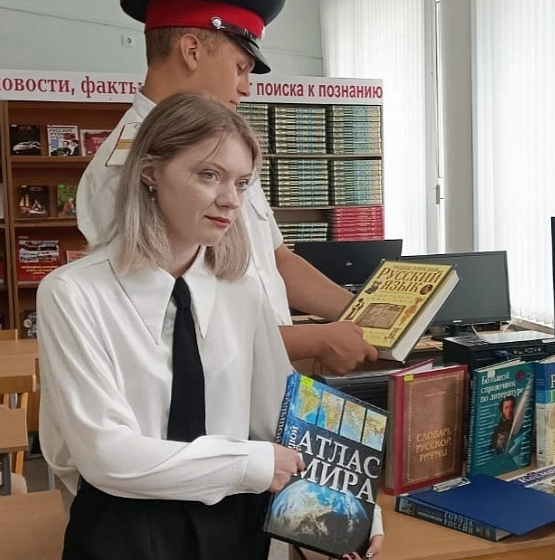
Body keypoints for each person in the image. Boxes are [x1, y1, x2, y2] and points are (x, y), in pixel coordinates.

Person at [39, 92, 304, 559]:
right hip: (124, 529)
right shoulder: (73, 293)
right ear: (150, 174)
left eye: (242, 182)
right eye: (209, 175)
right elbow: (107, 454)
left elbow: (283, 421)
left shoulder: (242, 291)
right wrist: (250, 463)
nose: (231, 200)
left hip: (233, 527)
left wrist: (350, 514)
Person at [75, 0, 377, 374]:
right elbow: (165, 328)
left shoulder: (224, 146)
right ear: (192, 51)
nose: (246, 88)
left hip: (269, 380)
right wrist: (315, 341)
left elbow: (277, 261)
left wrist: (370, 316)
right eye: (240, 68)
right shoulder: (128, 167)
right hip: (202, 396)